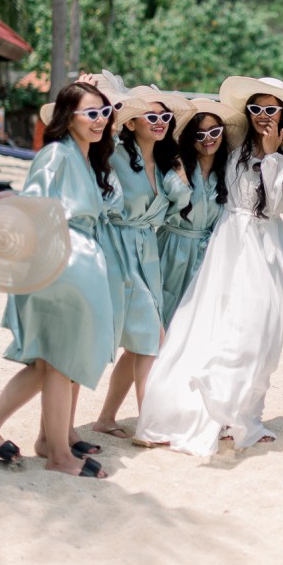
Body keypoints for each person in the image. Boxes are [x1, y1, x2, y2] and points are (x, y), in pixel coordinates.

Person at [134, 75, 283, 456]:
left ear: (282, 114)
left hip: (266, 242)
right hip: (231, 241)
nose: (264, 116)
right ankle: (215, 408)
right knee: (225, 322)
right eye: (257, 109)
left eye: (271, 109)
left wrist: (282, 154)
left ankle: (246, 414)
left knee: (264, 330)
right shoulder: (235, 149)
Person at [0, 82, 118, 479]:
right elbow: (36, 196)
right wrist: (10, 200)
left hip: (77, 259)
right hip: (60, 261)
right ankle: (58, 455)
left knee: (48, 364)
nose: (100, 120)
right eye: (91, 112)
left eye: (104, 112)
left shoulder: (86, 158)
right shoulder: (57, 153)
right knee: (58, 364)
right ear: (68, 118)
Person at [92, 85, 194, 438]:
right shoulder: (116, 153)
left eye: (165, 117)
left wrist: (178, 163)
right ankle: (150, 422)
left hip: (147, 252)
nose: (160, 122)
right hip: (117, 248)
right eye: (151, 116)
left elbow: (182, 202)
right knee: (152, 337)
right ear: (132, 122)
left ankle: (106, 418)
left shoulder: (165, 163)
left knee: (139, 345)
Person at [159, 100, 246, 328]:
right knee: (165, 318)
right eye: (200, 134)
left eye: (214, 131)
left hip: (207, 255)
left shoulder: (228, 172)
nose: (208, 138)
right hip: (172, 250)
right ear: (190, 138)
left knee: (197, 324)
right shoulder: (177, 166)